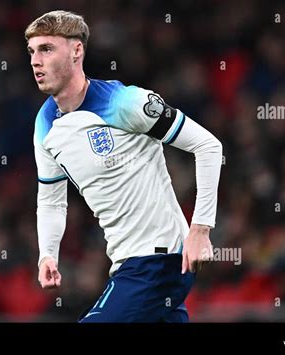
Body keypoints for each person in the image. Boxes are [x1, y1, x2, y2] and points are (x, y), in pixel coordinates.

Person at [26, 10, 222, 322]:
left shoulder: (126, 102)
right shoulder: (45, 124)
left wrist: (200, 229)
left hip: (159, 259)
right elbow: (51, 199)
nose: (36, 60)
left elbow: (208, 146)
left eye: (46, 49)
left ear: (77, 50)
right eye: (32, 51)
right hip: (127, 261)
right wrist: (47, 254)